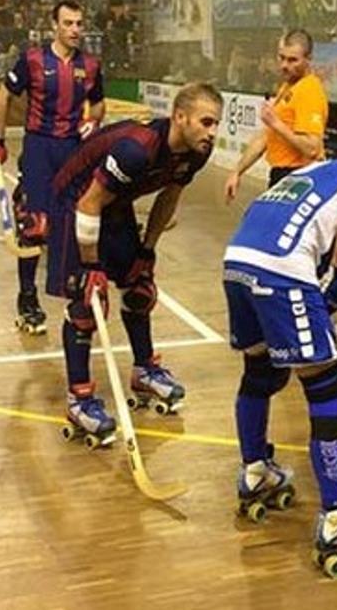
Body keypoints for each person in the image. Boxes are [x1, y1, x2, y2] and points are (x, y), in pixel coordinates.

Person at [221, 122, 337, 562]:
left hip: (237, 260)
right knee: (325, 388)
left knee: (260, 372)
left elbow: (263, 210)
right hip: (281, 269)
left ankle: (256, 473)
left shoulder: (320, 168)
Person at [50, 82, 224, 446]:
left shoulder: (194, 153)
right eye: (206, 122)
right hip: (76, 203)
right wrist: (91, 267)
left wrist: (147, 250)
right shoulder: (136, 150)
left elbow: (169, 198)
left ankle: (144, 369)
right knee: (88, 302)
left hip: (115, 205)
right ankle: (79, 399)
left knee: (140, 287)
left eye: (216, 124)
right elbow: (89, 202)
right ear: (180, 117)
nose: (212, 132)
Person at [0, 0, 105, 335]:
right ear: (55, 25)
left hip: (72, 149)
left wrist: (93, 121)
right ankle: (27, 298)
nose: (75, 30)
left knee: (70, 224)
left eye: (79, 23)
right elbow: (3, 95)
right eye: (68, 23)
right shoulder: (33, 60)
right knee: (34, 225)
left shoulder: (90, 66)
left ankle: (73, 290)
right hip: (38, 147)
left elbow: (98, 103)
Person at [224, 29, 328, 201]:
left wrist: (276, 124)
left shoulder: (309, 91)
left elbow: (312, 148)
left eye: (293, 60)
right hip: (281, 176)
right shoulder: (288, 87)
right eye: (281, 58)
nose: (284, 65)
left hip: (300, 179)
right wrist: (237, 171)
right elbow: (265, 136)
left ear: (308, 59)